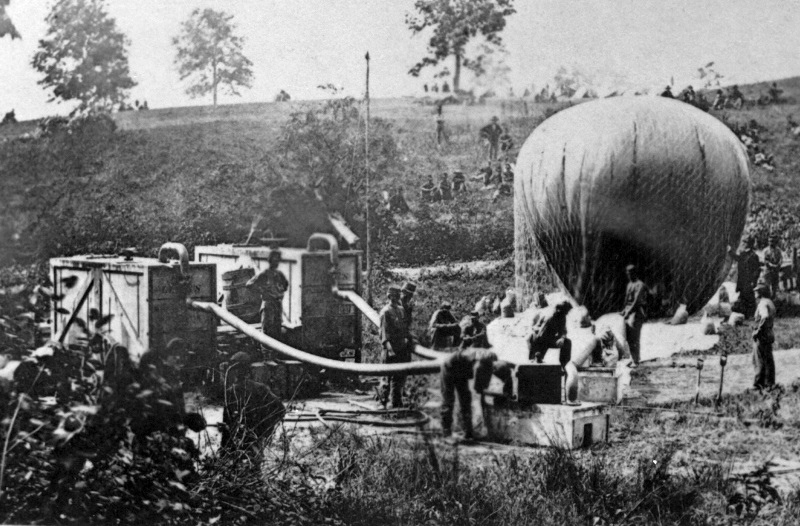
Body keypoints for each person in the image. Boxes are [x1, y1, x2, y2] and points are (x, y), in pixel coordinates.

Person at [440, 347, 513, 440]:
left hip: (461, 371)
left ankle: (468, 433)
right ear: (492, 368)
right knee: (448, 400)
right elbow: (478, 389)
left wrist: (507, 394)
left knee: (466, 400)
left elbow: (507, 378)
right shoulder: (481, 365)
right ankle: (446, 434)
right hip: (449, 367)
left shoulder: (496, 363)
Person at [221, 351, 285, 452]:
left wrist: (263, 430)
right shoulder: (231, 392)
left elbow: (279, 409)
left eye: (238, 369)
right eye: (235, 369)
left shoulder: (259, 389)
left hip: (248, 440)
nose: (236, 372)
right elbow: (227, 421)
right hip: (242, 440)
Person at [246, 250, 289, 357]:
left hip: (277, 304)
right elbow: (249, 284)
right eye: (274, 259)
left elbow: (285, 285)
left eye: (277, 259)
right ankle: (266, 356)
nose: (276, 262)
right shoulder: (264, 274)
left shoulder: (279, 274)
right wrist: (262, 290)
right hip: (268, 304)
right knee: (267, 330)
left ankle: (276, 355)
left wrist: (279, 290)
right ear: (269, 260)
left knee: (277, 330)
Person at [379, 286, 413, 408]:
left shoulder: (401, 310)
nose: (394, 299)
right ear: (388, 297)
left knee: (398, 379)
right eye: (391, 296)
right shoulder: (385, 312)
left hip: (401, 348)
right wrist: (390, 350)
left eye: (396, 296)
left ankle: (396, 404)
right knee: (386, 378)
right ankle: (382, 403)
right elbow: (384, 334)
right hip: (390, 349)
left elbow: (405, 329)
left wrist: (408, 341)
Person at [527, 300, 572, 366]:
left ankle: (564, 365)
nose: (567, 313)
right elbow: (541, 335)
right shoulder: (551, 318)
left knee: (567, 342)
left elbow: (563, 330)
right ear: (560, 310)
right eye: (566, 311)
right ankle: (536, 359)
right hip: (538, 339)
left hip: (548, 338)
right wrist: (539, 354)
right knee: (537, 358)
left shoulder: (562, 317)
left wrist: (562, 338)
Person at [621, 264, 647, 367]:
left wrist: (628, 312)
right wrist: (624, 311)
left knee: (635, 337)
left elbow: (636, 301)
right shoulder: (629, 284)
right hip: (629, 312)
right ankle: (633, 358)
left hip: (637, 312)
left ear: (634, 273)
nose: (628, 275)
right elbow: (627, 300)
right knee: (628, 337)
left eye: (630, 273)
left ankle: (636, 360)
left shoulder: (640, 285)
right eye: (627, 273)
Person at [729, 238, 761, 318]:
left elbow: (757, 269)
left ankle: (750, 314)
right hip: (742, 280)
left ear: (749, 244)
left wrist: (754, 280)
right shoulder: (743, 254)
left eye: (745, 242)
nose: (744, 244)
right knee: (743, 296)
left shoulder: (754, 256)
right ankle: (745, 314)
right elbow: (737, 258)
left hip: (749, 280)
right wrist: (730, 252)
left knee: (749, 297)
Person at [752, 282, 776, 390]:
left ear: (760, 293)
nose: (755, 293)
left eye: (756, 291)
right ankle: (770, 382)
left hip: (762, 334)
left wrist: (758, 330)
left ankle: (759, 383)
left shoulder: (762, 303)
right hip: (769, 332)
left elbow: (765, 317)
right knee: (768, 359)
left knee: (759, 359)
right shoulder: (770, 302)